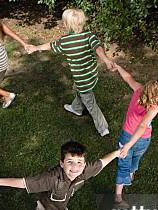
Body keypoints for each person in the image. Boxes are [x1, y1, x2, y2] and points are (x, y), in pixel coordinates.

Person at [27, 8, 115, 136]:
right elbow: (98, 48)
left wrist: (36, 48)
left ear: (66, 25)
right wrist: (106, 61)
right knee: (77, 89)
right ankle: (76, 108)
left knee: (90, 104)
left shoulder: (65, 42)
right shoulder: (89, 35)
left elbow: (50, 45)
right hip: (91, 75)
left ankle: (103, 128)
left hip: (82, 80)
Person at [113, 64, 158, 205]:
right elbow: (142, 126)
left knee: (124, 163)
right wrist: (129, 145)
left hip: (126, 136)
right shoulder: (154, 108)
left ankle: (120, 193)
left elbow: (127, 77)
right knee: (134, 159)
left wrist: (118, 67)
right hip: (142, 140)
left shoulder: (139, 90)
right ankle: (124, 187)